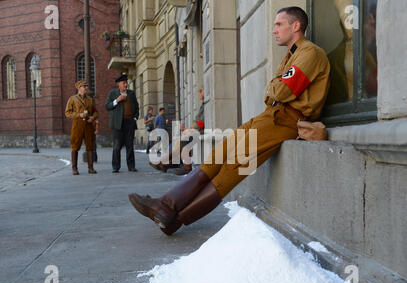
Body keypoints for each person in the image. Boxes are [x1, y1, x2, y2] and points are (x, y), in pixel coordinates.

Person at [128, 6, 330, 236]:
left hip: (286, 121)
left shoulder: (310, 53)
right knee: (217, 156)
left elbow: (281, 91)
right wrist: (275, 87)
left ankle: (172, 214)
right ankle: (167, 212)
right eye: (274, 25)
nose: (274, 30)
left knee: (232, 170)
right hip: (271, 117)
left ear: (296, 26)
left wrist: (274, 86)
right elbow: (271, 94)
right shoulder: (292, 55)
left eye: (279, 24)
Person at [149, 88, 205, 175]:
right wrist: (189, 129)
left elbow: (201, 123)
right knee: (179, 143)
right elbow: (198, 122)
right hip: (196, 132)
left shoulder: (206, 105)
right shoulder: (204, 105)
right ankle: (164, 164)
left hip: (200, 132)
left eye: (201, 91)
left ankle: (170, 164)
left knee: (182, 143)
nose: (199, 94)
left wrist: (189, 130)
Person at [105, 74, 140, 173]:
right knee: (117, 146)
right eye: (124, 83)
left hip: (130, 122)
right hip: (117, 123)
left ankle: (131, 166)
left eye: (126, 83)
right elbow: (107, 106)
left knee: (130, 146)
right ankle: (116, 167)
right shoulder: (112, 93)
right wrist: (117, 100)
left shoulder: (131, 93)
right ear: (118, 84)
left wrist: (135, 118)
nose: (126, 85)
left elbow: (137, 107)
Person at [65, 80, 98, 175]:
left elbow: (95, 111)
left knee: (90, 146)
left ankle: (90, 168)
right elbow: (67, 113)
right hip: (77, 124)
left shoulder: (90, 99)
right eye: (84, 86)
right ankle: (74, 168)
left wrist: (93, 117)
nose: (86, 88)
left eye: (87, 86)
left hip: (88, 125)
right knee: (75, 145)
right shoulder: (72, 99)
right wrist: (79, 115)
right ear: (79, 88)